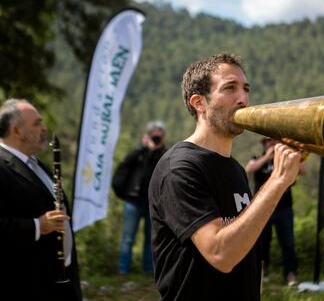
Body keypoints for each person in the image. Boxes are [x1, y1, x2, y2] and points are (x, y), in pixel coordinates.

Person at [148, 52, 302, 300]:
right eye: (230, 88)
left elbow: (248, 250)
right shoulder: (179, 168)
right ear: (199, 103)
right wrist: (277, 181)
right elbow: (220, 254)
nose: (243, 99)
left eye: (245, 89)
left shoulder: (236, 169)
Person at [0, 99, 82, 300]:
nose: (44, 128)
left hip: (60, 276)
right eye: (36, 124)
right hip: (27, 283)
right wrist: (38, 226)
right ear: (16, 131)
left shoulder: (36, 163)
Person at [245, 137, 304, 286]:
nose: (271, 144)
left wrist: (291, 155)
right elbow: (249, 168)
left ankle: (291, 274)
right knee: (262, 243)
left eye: (274, 141)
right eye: (268, 142)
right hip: (262, 209)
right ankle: (261, 274)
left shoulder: (284, 159)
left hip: (284, 208)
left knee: (288, 243)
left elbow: (303, 170)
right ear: (264, 144)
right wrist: (267, 157)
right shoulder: (258, 158)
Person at [113, 121, 167, 275]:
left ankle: (148, 271)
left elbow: (167, 169)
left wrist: (158, 151)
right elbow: (125, 165)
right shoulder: (138, 153)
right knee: (127, 239)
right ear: (147, 136)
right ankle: (123, 271)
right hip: (133, 201)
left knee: (151, 240)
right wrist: (144, 149)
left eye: (159, 136)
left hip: (153, 204)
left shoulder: (163, 154)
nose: (156, 139)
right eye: (154, 136)